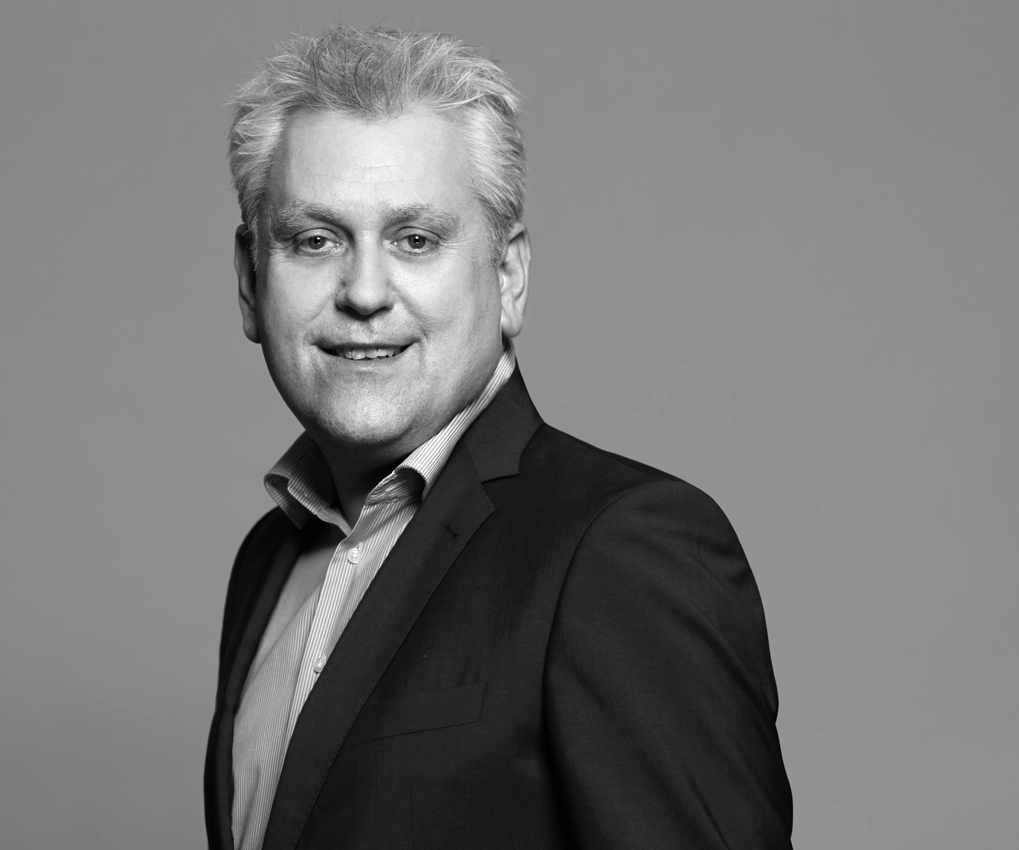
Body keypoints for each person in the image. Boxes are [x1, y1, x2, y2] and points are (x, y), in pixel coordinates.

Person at [205, 25, 793, 850]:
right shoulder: (267, 563)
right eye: (315, 240)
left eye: (416, 240)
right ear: (249, 281)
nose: (364, 292)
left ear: (509, 278)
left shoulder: (619, 551)